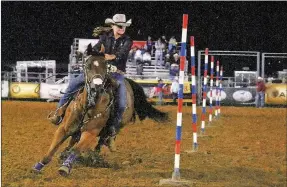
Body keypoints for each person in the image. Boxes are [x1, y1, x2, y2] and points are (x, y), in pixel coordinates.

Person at [49, 13, 133, 149]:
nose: (122, 28)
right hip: (99, 71)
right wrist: (95, 55)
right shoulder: (105, 38)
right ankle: (59, 112)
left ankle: (112, 130)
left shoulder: (127, 40)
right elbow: (95, 50)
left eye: (124, 26)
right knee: (73, 84)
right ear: (113, 26)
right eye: (119, 25)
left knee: (122, 103)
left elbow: (121, 55)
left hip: (116, 74)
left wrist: (105, 56)